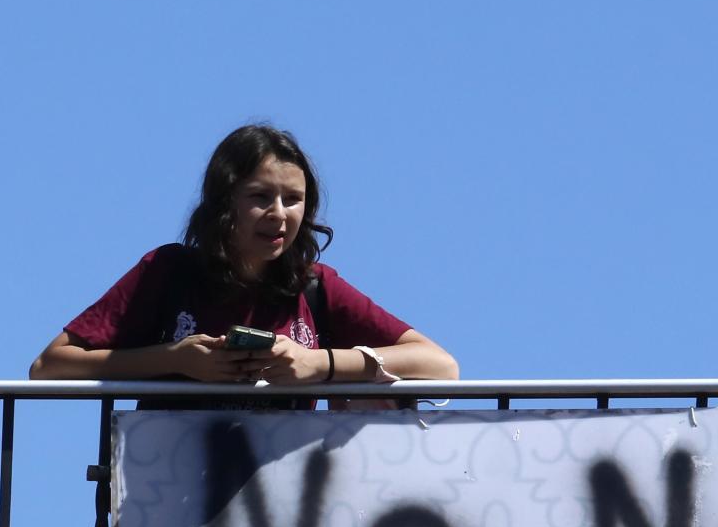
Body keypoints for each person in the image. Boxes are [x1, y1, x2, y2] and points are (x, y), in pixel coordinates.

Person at [29, 124, 458, 387]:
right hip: (171, 506)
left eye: (293, 199)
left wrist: (316, 364)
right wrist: (176, 360)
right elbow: (49, 366)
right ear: (223, 202)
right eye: (260, 197)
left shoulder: (316, 286)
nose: (279, 214)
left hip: (285, 520)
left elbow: (440, 366)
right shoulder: (168, 271)